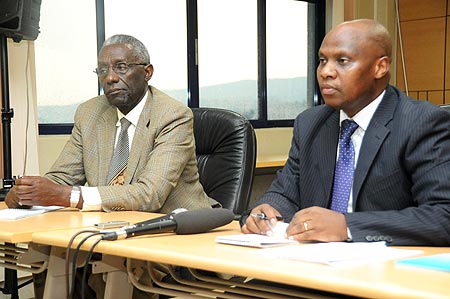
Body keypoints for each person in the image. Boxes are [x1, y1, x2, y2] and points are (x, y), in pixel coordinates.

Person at [241, 19, 450, 246]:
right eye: (322, 61)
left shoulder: (421, 122)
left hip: (384, 269)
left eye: (342, 61)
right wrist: (267, 211)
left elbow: (443, 216)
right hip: (308, 263)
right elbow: (285, 193)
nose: (326, 72)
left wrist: (346, 225)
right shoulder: (310, 123)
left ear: (380, 67)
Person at [5, 34, 217, 213]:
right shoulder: (89, 113)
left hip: (178, 229)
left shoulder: (172, 115)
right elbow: (62, 177)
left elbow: (149, 194)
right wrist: (29, 192)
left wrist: (67, 196)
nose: (111, 78)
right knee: (45, 249)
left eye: (121, 67)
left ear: (147, 72)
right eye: (103, 70)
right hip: (110, 226)